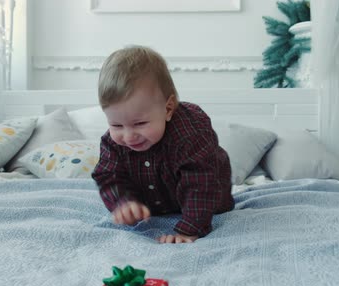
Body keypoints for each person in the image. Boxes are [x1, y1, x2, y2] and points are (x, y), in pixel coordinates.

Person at [92, 45, 234, 244]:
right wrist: (123, 203)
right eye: (116, 124)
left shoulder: (190, 132)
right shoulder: (113, 143)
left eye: (140, 123)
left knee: (205, 188)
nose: (128, 136)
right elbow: (108, 175)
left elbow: (200, 182)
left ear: (168, 109)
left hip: (207, 200)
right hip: (154, 204)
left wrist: (189, 230)